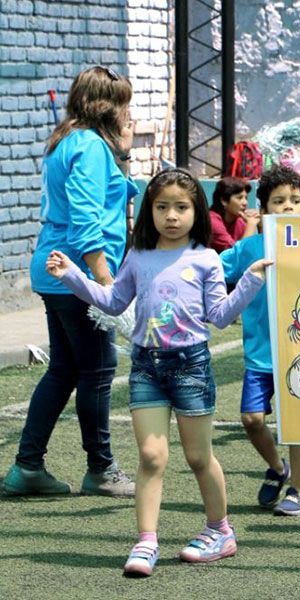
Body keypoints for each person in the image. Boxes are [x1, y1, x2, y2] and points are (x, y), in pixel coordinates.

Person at [46, 168, 271, 576]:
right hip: (146, 366)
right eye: (162, 206)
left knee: (199, 457)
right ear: (149, 211)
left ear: (196, 211)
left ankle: (220, 530)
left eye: (181, 207)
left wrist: (251, 281)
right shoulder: (138, 256)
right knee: (151, 456)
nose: (171, 215)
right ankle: (146, 540)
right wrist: (73, 276)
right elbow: (113, 302)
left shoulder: (206, 259)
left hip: (192, 367)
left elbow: (220, 316)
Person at [2, 66, 137, 498]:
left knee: (64, 370)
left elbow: (99, 202)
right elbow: (86, 223)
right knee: (98, 371)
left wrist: (125, 153)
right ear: (106, 106)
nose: (128, 112)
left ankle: (27, 467)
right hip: (75, 273)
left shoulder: (71, 142)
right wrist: (106, 287)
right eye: (123, 104)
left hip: (56, 269)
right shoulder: (90, 147)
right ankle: (101, 470)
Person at [221, 164, 300, 513]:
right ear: (263, 210)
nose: (288, 207)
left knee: (296, 423)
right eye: (279, 201)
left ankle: (298, 491)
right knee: (252, 419)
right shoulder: (249, 249)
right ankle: (279, 469)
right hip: (261, 355)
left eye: (295, 200)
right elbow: (213, 268)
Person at [208, 176, 259, 253]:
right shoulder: (212, 221)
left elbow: (252, 253)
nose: (245, 203)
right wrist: (251, 224)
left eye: (246, 198)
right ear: (224, 200)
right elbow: (236, 254)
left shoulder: (240, 222)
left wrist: (261, 225)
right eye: (239, 198)